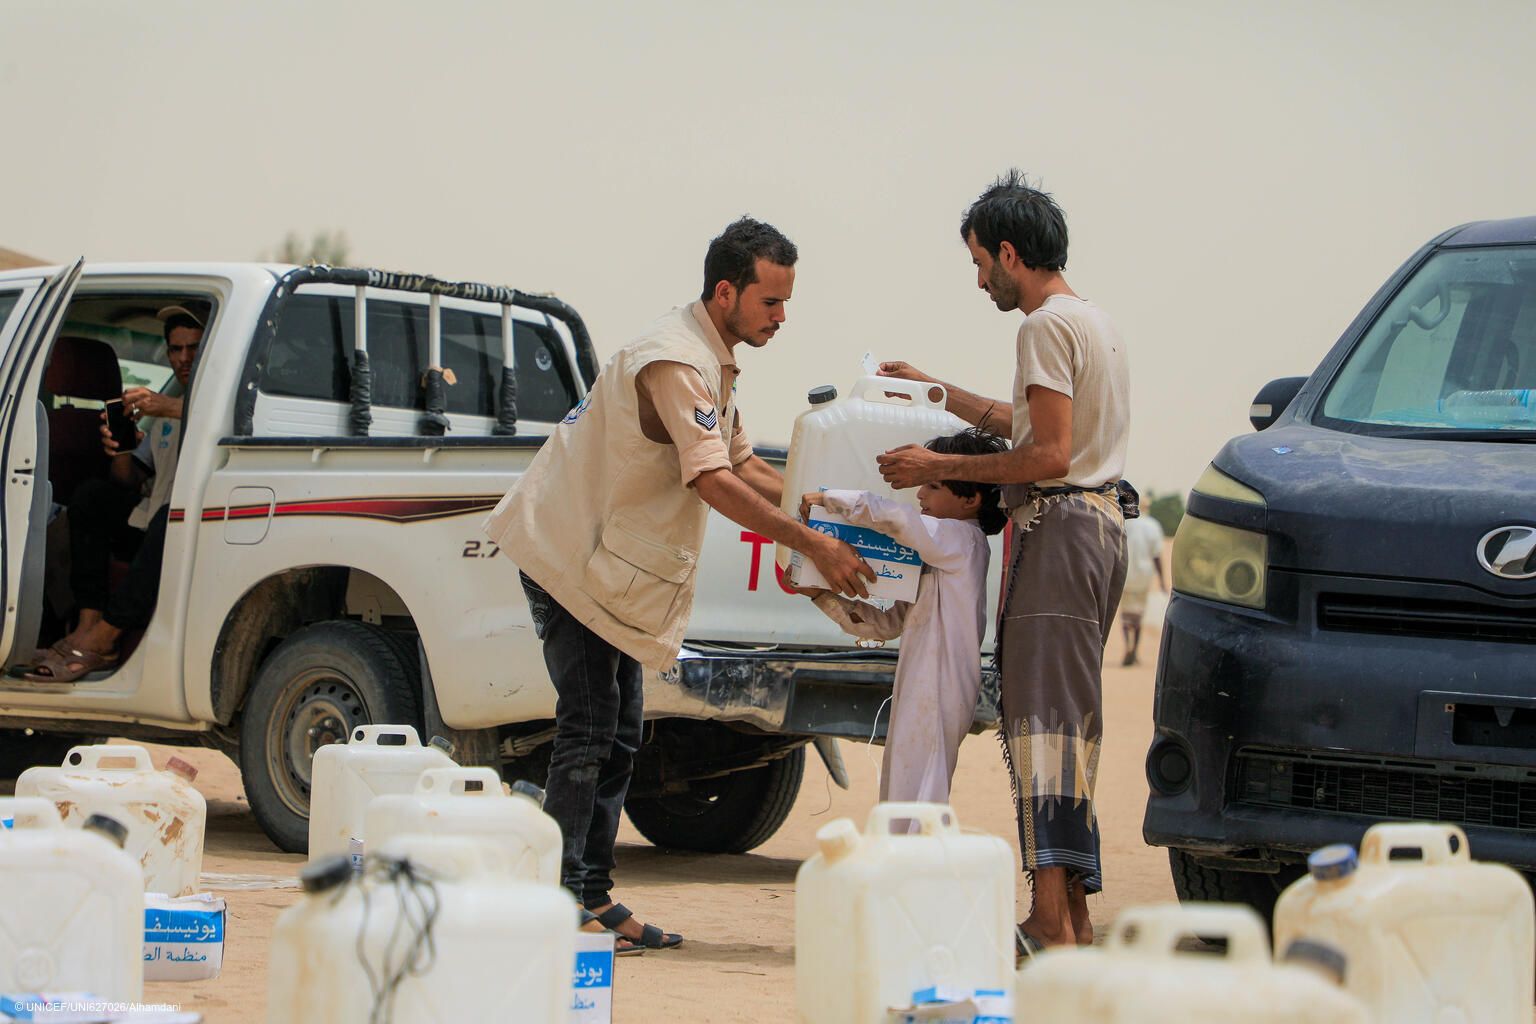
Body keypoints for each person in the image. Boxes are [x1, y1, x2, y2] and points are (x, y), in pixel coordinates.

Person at [484, 217, 875, 954]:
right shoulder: (674, 361)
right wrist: (812, 544)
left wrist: (830, 506)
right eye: (771, 303)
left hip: (605, 566)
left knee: (621, 733)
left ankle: (589, 894)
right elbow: (713, 481)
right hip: (569, 556)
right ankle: (564, 902)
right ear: (726, 291)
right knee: (593, 728)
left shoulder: (711, 360)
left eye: (787, 303)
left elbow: (745, 464)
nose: (782, 318)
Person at [875, 170, 1130, 955]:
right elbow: (1030, 422)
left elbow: (1045, 453)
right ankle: (1073, 918)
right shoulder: (1094, 322)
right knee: (1067, 728)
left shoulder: (1043, 328)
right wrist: (936, 393)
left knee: (1041, 732)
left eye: (981, 261)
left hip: (1057, 533)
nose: (980, 277)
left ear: (1010, 254)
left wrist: (932, 470)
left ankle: (1049, 920)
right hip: (1099, 530)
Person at [796, 428, 1008, 812]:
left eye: (932, 485)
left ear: (971, 500)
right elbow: (888, 624)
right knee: (905, 782)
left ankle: (915, 865)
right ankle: (900, 861)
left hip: (940, 684)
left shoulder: (963, 540)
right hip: (921, 682)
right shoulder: (938, 554)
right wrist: (822, 596)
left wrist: (833, 500)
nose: (920, 495)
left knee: (921, 789)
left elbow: (898, 519)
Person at [27, 305, 205, 682]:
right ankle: (87, 624)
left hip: (191, 532)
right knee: (92, 497)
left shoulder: (211, 404)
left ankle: (106, 637)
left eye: (194, 347)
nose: (184, 358)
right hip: (150, 519)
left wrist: (168, 405)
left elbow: (220, 414)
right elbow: (127, 480)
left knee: (170, 517)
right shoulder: (163, 418)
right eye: (176, 349)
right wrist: (119, 448)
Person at [1118, 513, 1166, 666]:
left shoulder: (1124, 523)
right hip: (1144, 577)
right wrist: (1162, 580)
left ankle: (1128, 646)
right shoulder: (1153, 525)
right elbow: (1156, 555)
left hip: (1125, 574)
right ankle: (1135, 651)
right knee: (1138, 615)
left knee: (1125, 615)